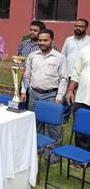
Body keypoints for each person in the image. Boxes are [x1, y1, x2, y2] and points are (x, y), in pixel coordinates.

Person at [21, 29, 68, 163]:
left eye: (45, 40)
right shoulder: (32, 56)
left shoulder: (59, 57)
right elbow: (27, 75)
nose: (42, 42)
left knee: (53, 127)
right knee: (35, 123)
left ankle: (52, 156)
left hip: (51, 95)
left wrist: (59, 97)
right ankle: (36, 152)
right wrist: (24, 91)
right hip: (34, 94)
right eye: (40, 40)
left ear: (52, 40)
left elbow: (64, 79)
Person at [61, 19, 90, 123]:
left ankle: (78, 118)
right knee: (67, 100)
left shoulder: (89, 41)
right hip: (69, 75)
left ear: (86, 28)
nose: (78, 28)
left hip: (82, 78)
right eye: (76, 25)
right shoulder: (68, 40)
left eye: (81, 26)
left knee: (81, 99)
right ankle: (64, 120)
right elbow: (63, 56)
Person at [66, 44, 90, 151]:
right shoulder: (85, 49)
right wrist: (70, 89)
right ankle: (80, 154)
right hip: (83, 96)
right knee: (81, 127)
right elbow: (76, 72)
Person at [18, 20, 46, 108]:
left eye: (35, 30)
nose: (32, 32)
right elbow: (19, 60)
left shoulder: (46, 46)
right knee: (20, 108)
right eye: (31, 30)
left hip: (36, 85)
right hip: (23, 81)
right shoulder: (24, 44)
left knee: (34, 111)